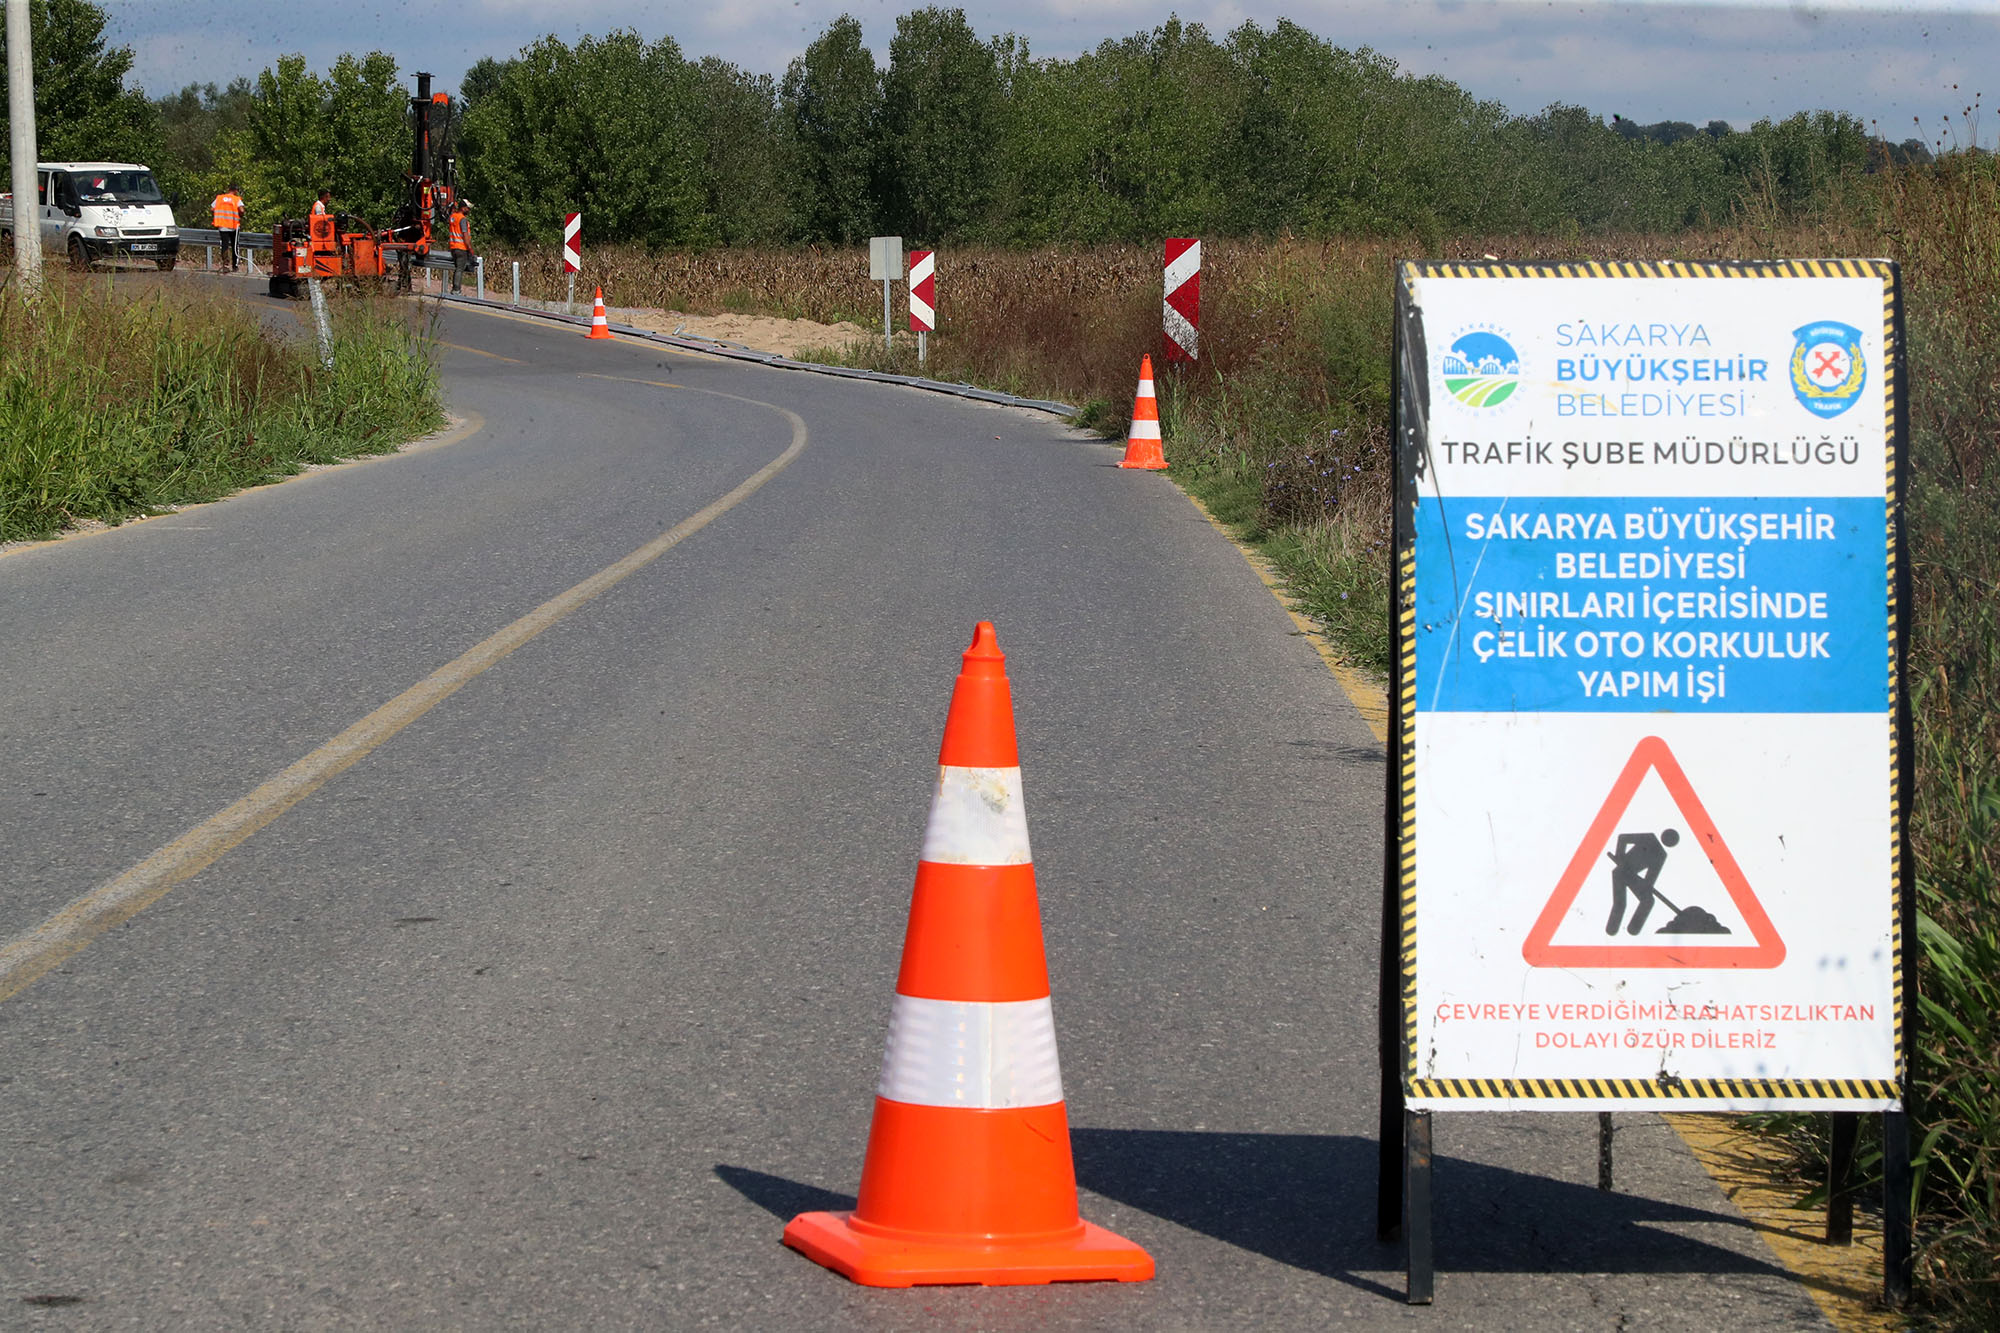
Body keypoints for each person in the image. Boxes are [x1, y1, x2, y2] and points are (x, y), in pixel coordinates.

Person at [210, 183, 244, 272]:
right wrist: (240, 215)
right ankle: (235, 266)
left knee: (224, 246)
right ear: (236, 191)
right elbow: (241, 210)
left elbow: (212, 209)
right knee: (235, 246)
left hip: (222, 226)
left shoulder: (219, 198)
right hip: (233, 226)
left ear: (229, 189)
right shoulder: (236, 199)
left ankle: (225, 264)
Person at [447, 199, 475, 293]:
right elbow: (465, 235)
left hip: (453, 247)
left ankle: (455, 289)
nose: (469, 210)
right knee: (459, 269)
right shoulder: (462, 219)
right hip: (461, 248)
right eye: (468, 208)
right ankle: (456, 290)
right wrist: (470, 249)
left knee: (457, 268)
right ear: (463, 208)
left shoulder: (453, 217)